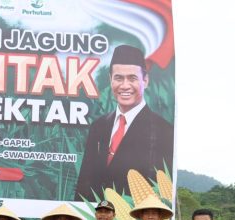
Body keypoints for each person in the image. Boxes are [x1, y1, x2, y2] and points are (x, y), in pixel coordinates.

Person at [75, 45, 174, 200]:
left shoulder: (164, 130)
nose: (125, 86)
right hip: (95, 219)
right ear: (110, 80)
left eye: (132, 78)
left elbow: (161, 186)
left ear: (145, 80)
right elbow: (84, 182)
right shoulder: (98, 126)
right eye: (119, 78)